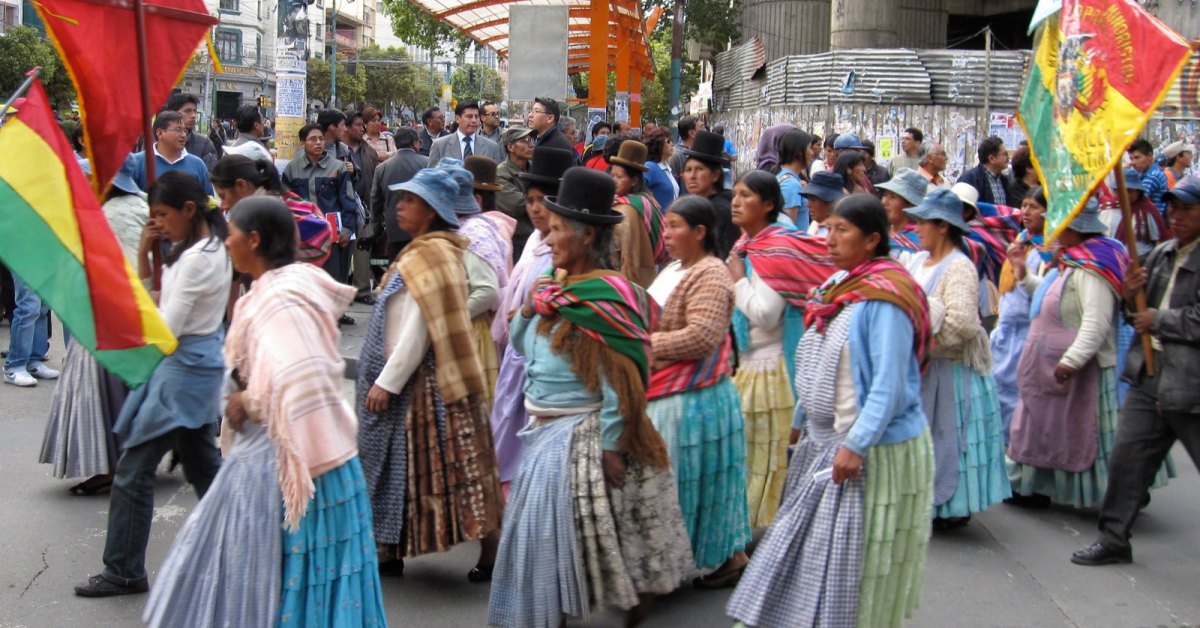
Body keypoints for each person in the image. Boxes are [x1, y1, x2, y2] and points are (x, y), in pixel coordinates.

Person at [143, 196, 388, 627]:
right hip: (317, 460)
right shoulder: (286, 288)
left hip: (295, 470)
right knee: (308, 590)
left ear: (253, 240)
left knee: (282, 588)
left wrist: (249, 401)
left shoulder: (279, 299)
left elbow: (300, 374)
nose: (225, 242)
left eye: (231, 234)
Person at [487, 167, 693, 628]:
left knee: (569, 536)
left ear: (587, 235)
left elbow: (622, 382)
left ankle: (593, 605)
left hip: (580, 433)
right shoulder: (554, 289)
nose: (548, 237)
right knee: (553, 539)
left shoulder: (608, 298)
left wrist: (611, 446)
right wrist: (529, 307)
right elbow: (522, 347)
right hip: (541, 429)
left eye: (558, 229)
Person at [728, 193, 934, 628]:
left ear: (872, 239)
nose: (829, 239)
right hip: (823, 442)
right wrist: (799, 422)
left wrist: (856, 445)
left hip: (865, 449)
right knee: (800, 547)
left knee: (844, 559)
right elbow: (818, 359)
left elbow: (889, 385)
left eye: (842, 230)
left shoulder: (885, 299)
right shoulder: (838, 287)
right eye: (829, 229)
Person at [74, 171, 230, 597]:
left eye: (162, 214)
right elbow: (158, 299)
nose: (157, 222)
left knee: (134, 471)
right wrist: (145, 252)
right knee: (206, 473)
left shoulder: (200, 257)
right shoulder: (197, 249)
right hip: (189, 367)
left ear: (189, 210)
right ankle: (253, 546)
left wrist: (128, 318)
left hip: (182, 371)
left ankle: (123, 569)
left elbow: (165, 326)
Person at [356, 167, 504, 581]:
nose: (400, 207)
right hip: (412, 380)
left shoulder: (433, 255)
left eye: (411, 201)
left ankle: (491, 549)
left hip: (426, 383)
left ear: (433, 211)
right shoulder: (423, 250)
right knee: (398, 467)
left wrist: (387, 382)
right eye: (401, 199)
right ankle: (388, 549)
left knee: (455, 469)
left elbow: (420, 325)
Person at [1006, 199, 1172, 511]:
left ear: (1073, 228)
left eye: (1059, 222)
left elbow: (1096, 323)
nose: (1053, 228)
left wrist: (1072, 361)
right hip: (1051, 365)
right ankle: (1035, 487)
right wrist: (1023, 274)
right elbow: (1050, 295)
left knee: (1090, 437)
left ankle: (1125, 492)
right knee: (1048, 429)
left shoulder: (1093, 267)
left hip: (1084, 371)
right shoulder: (1072, 259)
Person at [1072, 177, 1200, 567]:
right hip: (1151, 374)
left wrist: (1156, 319)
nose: (1175, 216)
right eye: (1172, 207)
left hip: (1192, 383)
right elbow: (1134, 314)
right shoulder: (1161, 254)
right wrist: (1130, 293)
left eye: (1186, 209)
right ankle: (1113, 538)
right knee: (1127, 458)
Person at [646, 196, 752, 586]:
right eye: (666, 225)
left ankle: (717, 559)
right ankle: (712, 558)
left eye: (675, 226)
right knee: (695, 483)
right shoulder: (675, 269)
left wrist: (645, 344)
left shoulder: (711, 273)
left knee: (693, 484)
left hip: (696, 399)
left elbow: (702, 336)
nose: (666, 234)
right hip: (677, 393)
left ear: (700, 232)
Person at [728, 170, 835, 528]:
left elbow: (766, 313)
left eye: (746, 196)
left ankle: (752, 531)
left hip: (771, 367)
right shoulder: (750, 242)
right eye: (735, 194)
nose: (736, 202)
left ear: (769, 204)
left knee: (761, 456)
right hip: (755, 361)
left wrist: (737, 280)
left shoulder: (773, 247)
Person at [903, 188, 1010, 528]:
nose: (917, 227)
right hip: (923, 366)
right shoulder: (917, 261)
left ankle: (950, 507)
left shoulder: (960, 267)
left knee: (948, 436)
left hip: (949, 370)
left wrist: (923, 345)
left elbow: (962, 323)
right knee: (926, 436)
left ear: (943, 226)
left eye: (924, 222)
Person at [39, 162, 145, 493]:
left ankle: (112, 465)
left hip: (110, 317)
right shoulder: (140, 206)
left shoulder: (110, 215)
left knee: (100, 395)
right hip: (133, 314)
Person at [488, 148, 573, 487]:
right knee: (505, 422)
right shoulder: (535, 241)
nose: (535, 209)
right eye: (531, 200)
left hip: (539, 360)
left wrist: (528, 311)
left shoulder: (562, 252)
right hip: (516, 351)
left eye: (544, 201)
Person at [989, 186, 1048, 442]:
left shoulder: (1048, 250)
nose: (1026, 211)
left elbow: (1045, 293)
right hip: (1005, 334)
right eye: (1024, 205)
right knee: (1000, 395)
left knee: (1020, 397)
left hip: (1026, 335)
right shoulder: (1022, 241)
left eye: (1034, 207)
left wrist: (1023, 273)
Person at [282, 123, 358, 299]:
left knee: (332, 281)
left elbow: (348, 200)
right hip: (303, 236)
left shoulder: (338, 167)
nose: (318, 143)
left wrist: (347, 229)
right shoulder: (292, 169)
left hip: (332, 235)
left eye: (321, 139)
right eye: (313, 139)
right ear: (303, 143)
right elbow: (286, 203)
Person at [609, 139, 668, 287]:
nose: (614, 181)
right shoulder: (646, 199)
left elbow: (629, 259)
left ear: (634, 181)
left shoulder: (628, 210)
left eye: (619, 177)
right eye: (612, 175)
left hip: (631, 281)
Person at [370, 126, 428, 260]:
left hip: (395, 229)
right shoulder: (427, 163)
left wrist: (377, 227)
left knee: (397, 267)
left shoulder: (382, 168)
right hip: (423, 229)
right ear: (414, 143)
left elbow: (375, 200)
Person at [679, 130, 737, 257]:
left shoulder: (719, 211)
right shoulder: (698, 206)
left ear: (715, 175)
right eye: (688, 170)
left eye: (699, 169)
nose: (692, 176)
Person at [127, 111, 214, 194]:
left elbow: (208, 200)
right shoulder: (137, 162)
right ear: (160, 133)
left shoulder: (197, 165)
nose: (183, 135)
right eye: (178, 130)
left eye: (184, 130)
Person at [345, 110, 382, 304]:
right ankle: (342, 290)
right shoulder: (338, 151)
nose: (362, 128)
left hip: (364, 208)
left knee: (362, 250)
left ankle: (362, 289)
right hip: (342, 208)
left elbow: (375, 179)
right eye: (358, 125)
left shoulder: (368, 151)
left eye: (362, 125)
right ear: (346, 127)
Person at [429, 101, 505, 166]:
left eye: (476, 117)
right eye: (469, 116)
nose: (474, 120)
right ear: (457, 119)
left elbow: (496, 176)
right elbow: (432, 176)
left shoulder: (492, 147)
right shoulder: (440, 146)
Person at [877, 167, 928, 262]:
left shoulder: (918, 241)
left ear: (910, 205)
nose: (884, 202)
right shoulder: (880, 232)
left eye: (893, 197)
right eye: (885, 195)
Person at [162, 93, 219, 170]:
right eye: (187, 111)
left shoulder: (205, 144)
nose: (193, 116)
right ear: (173, 113)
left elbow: (208, 174)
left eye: (195, 111)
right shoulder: (156, 142)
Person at [958, 136, 1012, 206]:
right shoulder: (970, 179)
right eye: (1005, 154)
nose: (1008, 158)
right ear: (992, 159)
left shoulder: (1004, 181)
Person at [776, 129, 814, 228]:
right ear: (800, 153)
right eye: (810, 148)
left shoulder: (783, 176)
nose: (812, 153)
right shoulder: (791, 185)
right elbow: (786, 229)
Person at [495, 126, 534, 219]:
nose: (531, 145)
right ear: (510, 147)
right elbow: (518, 205)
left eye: (531, 140)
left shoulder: (535, 167)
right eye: (525, 141)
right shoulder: (500, 174)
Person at [642, 126, 679, 212]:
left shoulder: (666, 167)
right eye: (668, 141)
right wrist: (648, 196)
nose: (672, 144)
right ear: (658, 144)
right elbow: (637, 188)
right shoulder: (650, 166)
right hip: (658, 218)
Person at [1128, 138, 1169, 214]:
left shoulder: (1153, 176)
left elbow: (1135, 200)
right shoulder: (1144, 174)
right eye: (1131, 159)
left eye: (1137, 157)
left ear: (1150, 156)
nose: (1133, 163)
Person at [801, 171, 847, 238]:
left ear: (830, 203)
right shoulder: (815, 225)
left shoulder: (840, 236)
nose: (808, 205)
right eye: (809, 199)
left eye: (813, 200)